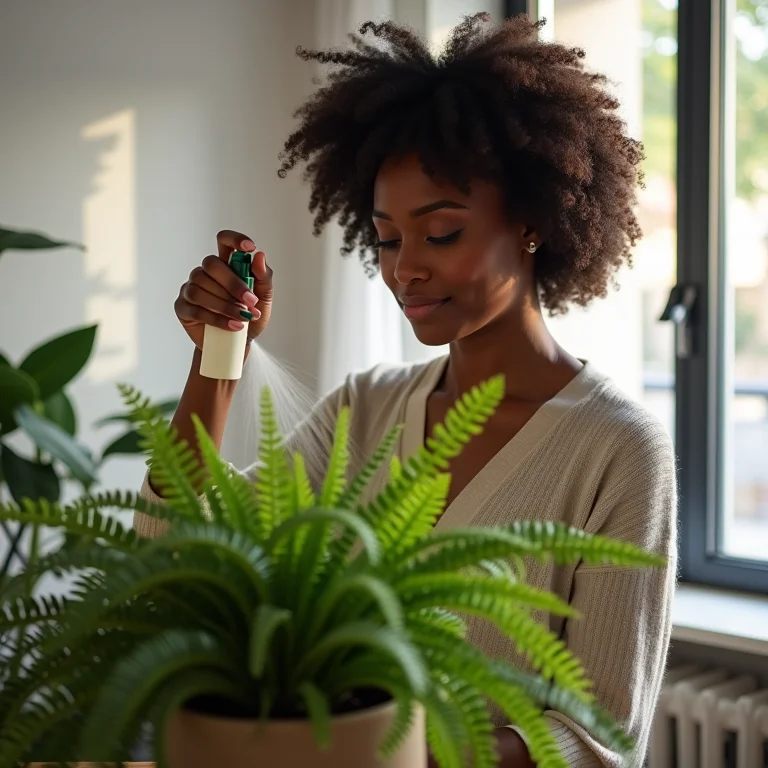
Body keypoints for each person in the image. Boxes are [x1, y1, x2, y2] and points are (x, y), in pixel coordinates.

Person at [135, 13, 677, 768]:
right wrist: (216, 360)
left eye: (441, 233)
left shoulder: (617, 451)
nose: (404, 269)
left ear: (530, 221)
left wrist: (388, 751)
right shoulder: (365, 410)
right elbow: (177, 553)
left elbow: (598, 741)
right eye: (388, 239)